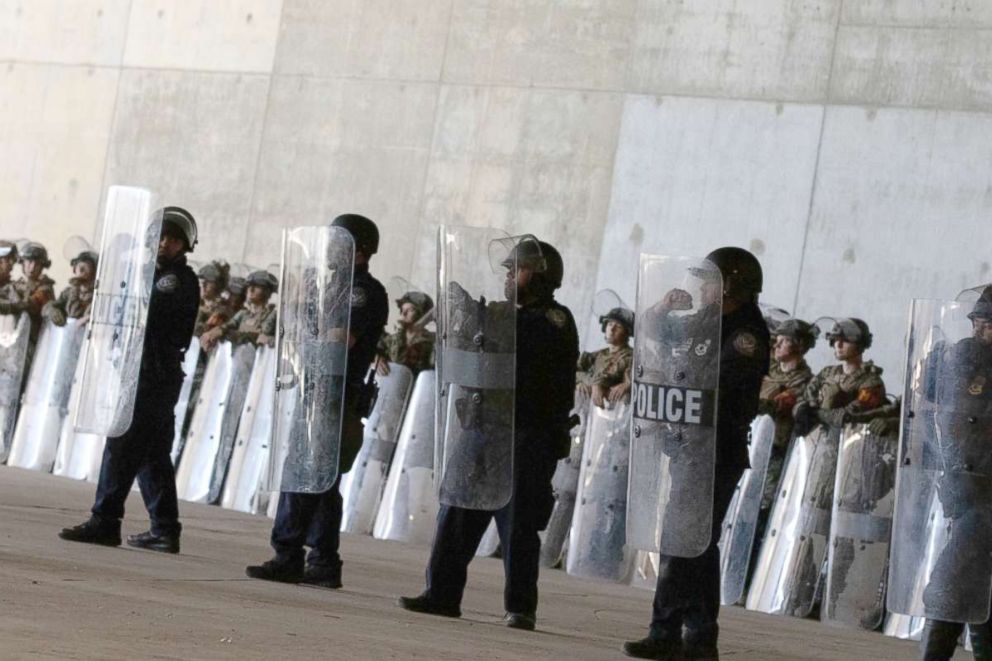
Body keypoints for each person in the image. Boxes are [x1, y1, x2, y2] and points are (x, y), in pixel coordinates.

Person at [398, 238, 579, 631]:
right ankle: (441, 594)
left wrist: (483, 320)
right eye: (509, 270)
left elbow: (518, 346)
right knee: (457, 511)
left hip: (525, 434)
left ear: (543, 276)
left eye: (519, 269)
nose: (511, 276)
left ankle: (520, 607)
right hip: (483, 427)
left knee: (518, 523)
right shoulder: (507, 315)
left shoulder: (552, 320)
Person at [624, 247, 770, 661]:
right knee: (698, 545)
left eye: (709, 280)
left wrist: (677, 384)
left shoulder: (745, 334)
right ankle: (700, 639)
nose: (701, 287)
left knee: (681, 540)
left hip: (716, 451)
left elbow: (718, 387)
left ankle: (665, 631)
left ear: (731, 287)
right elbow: (654, 330)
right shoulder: (710, 321)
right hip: (690, 447)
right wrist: (662, 307)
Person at [245, 214, 387, 589]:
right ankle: (322, 561)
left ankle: (288, 552)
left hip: (335, 393)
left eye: (340, 242)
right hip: (315, 388)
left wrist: (308, 324)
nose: (331, 249)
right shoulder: (332, 287)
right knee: (320, 480)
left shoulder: (362, 291)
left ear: (360, 249)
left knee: (306, 474)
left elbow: (341, 339)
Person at [58, 207, 200, 553]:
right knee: (153, 455)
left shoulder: (174, 279)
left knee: (121, 446)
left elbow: (147, 313)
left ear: (184, 245)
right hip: (142, 372)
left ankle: (104, 521)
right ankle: (165, 529)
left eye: (171, 238)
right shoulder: (151, 273)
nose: (164, 243)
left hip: (153, 374)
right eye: (160, 237)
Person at [917, 286, 992, 660]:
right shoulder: (964, 357)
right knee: (969, 583)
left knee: (954, 582)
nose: (982, 328)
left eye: (988, 322)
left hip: (985, 491)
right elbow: (938, 416)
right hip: (966, 485)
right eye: (980, 321)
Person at [754, 319, 817, 537]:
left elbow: (778, 404)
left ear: (798, 346)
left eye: (784, 341)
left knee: (763, 505)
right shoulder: (766, 366)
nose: (777, 345)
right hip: (751, 443)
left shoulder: (804, 381)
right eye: (777, 340)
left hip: (774, 450)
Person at [200, 270, 277, 349]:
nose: (251, 289)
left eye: (257, 286)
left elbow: (257, 337)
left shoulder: (271, 315)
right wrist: (216, 331)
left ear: (268, 292)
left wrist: (223, 333)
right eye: (249, 286)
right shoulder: (243, 314)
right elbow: (228, 325)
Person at [576, 306, 634, 407]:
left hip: (614, 412)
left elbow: (609, 375)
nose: (611, 329)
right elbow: (572, 371)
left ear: (626, 333)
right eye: (610, 324)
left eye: (618, 326)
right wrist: (579, 383)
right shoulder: (599, 354)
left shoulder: (629, 356)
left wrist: (595, 384)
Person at [376, 290, 435, 374]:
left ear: (422, 315)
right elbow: (375, 348)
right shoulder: (393, 338)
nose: (403, 313)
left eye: (410, 310)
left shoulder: (431, 343)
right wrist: (377, 359)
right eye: (402, 309)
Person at [14, 241, 56, 349]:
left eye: (37, 263)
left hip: (31, 342)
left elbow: (33, 303)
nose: (32, 267)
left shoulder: (45, 288)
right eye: (29, 261)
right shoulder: (18, 284)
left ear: (42, 266)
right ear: (22, 262)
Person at [44, 250, 97, 326]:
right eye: (79, 266)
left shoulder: (96, 295)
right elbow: (49, 306)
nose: (81, 270)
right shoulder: (68, 292)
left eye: (86, 267)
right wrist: (52, 310)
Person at [193, 260, 231, 337]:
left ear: (218, 284)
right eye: (201, 280)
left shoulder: (222, 309)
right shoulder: (194, 302)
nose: (203, 284)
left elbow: (204, 330)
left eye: (209, 281)